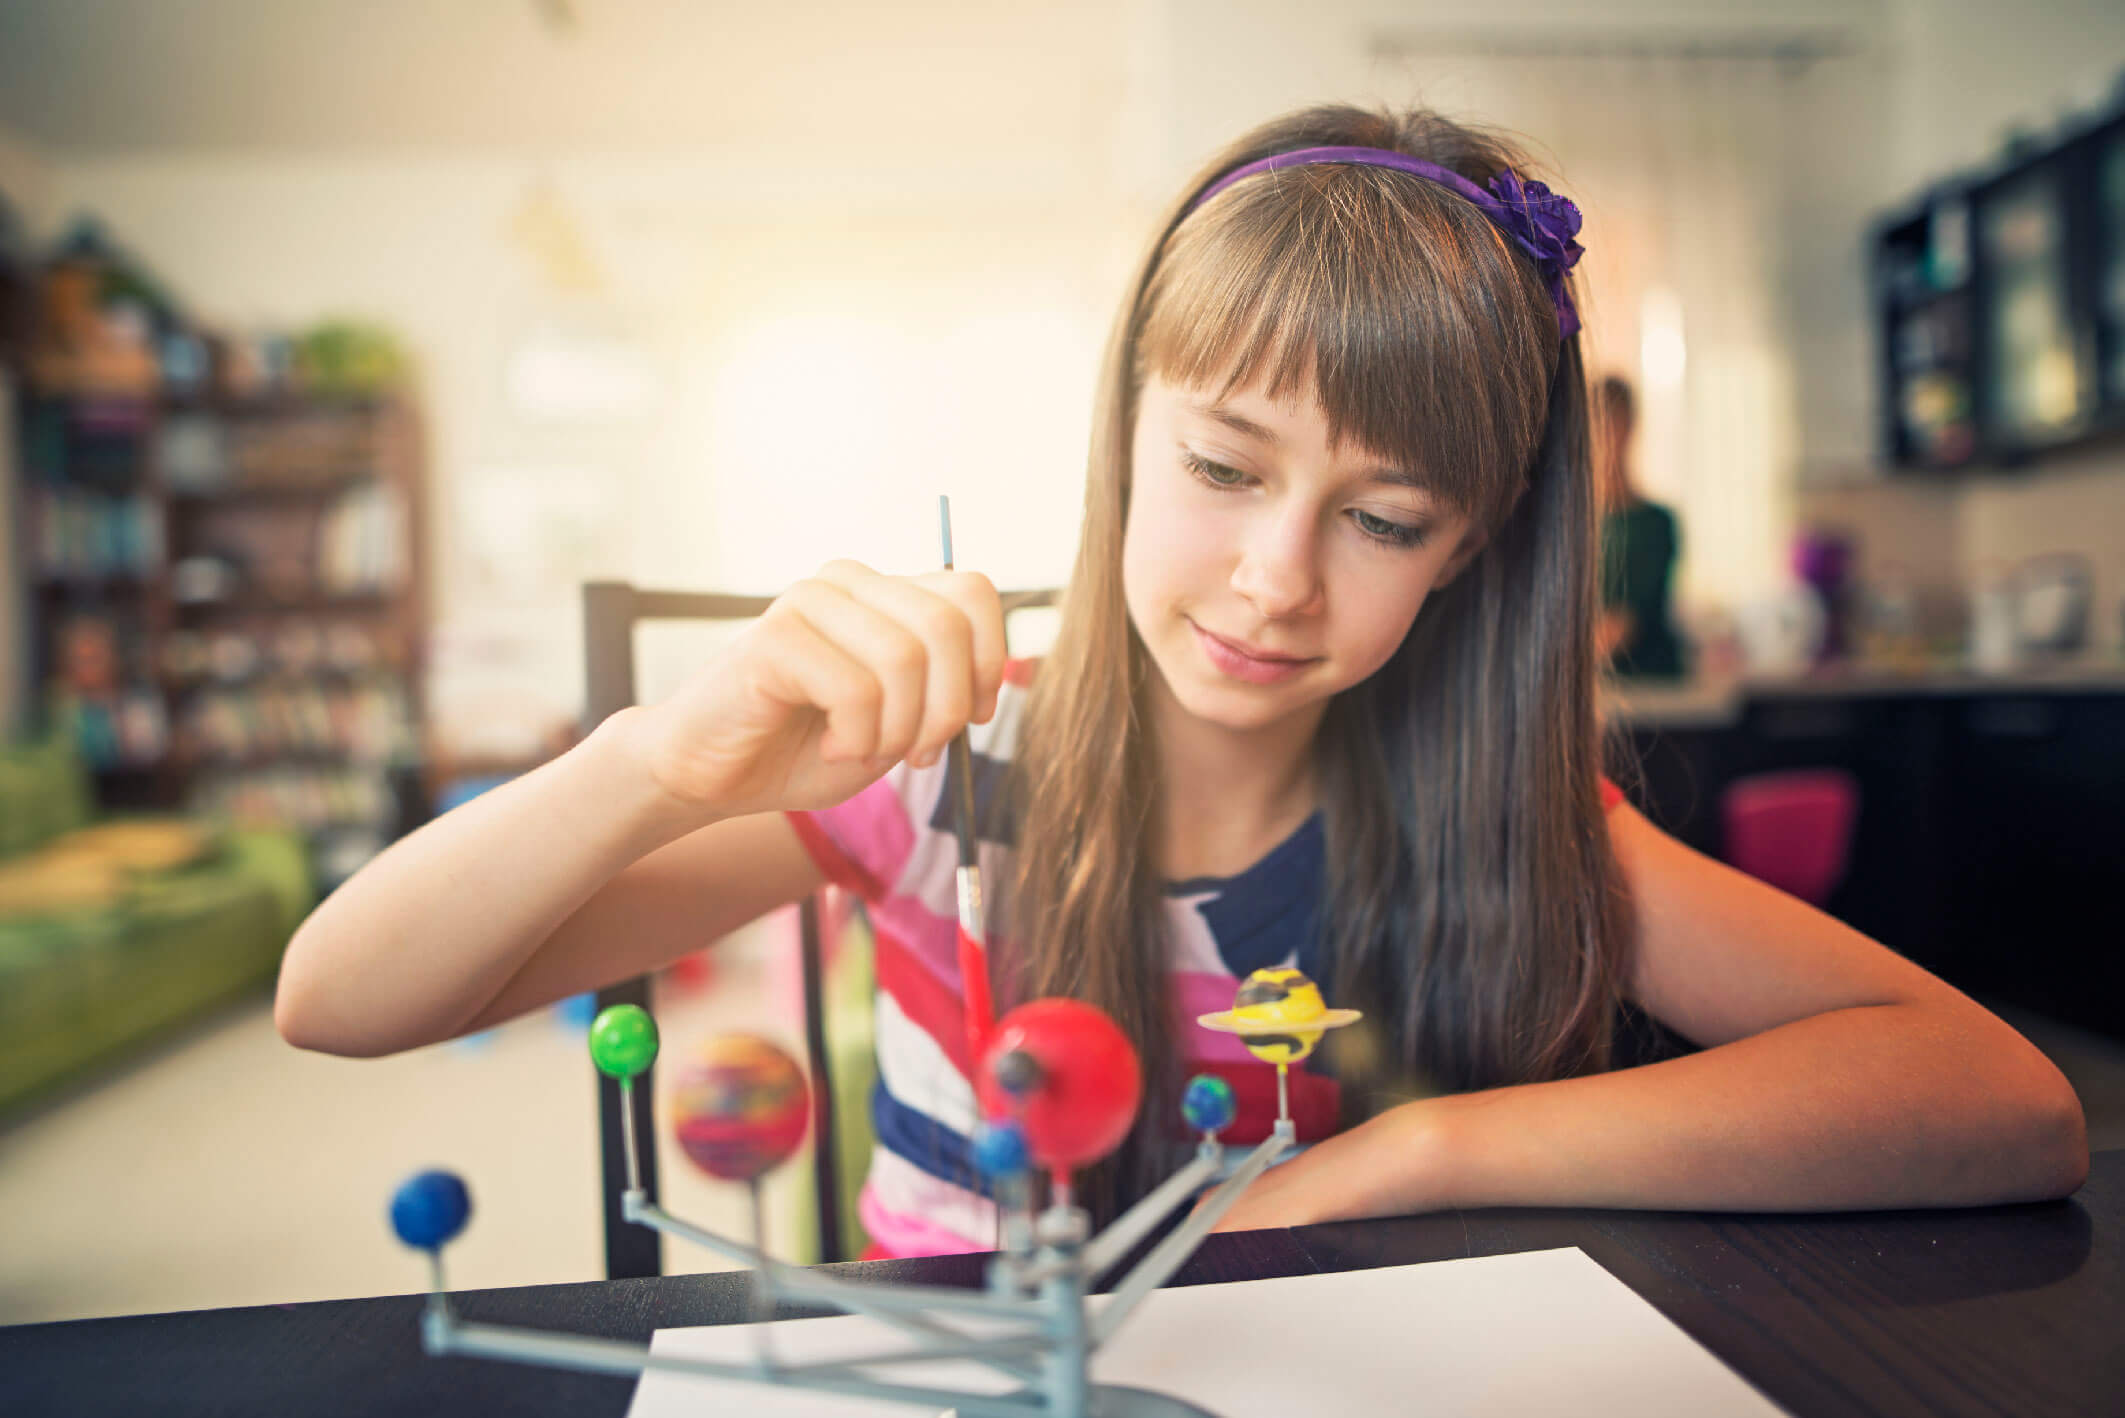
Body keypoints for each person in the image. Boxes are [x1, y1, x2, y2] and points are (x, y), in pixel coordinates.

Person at [276, 105, 2085, 1256]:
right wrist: (660, 757)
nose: (1273, 579)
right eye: (1224, 470)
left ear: (1468, 550)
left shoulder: (1506, 827)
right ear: (1124, 436)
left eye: (1381, 516)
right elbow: (343, 999)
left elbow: (2005, 1100)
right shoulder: (934, 776)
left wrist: (1424, 1151)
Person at [1594, 375, 1686, 678]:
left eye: (1615, 421)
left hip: (1650, 686)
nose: (1607, 434)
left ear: (1631, 426)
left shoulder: (1657, 524)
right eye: (1598, 421)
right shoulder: (1574, 528)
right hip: (1594, 688)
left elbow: (1623, 626)